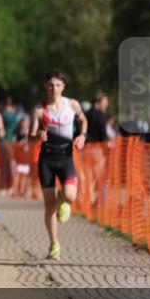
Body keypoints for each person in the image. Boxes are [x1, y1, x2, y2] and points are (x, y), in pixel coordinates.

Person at [30, 69, 87, 260]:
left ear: (63, 87)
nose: (54, 88)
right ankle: (54, 244)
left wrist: (82, 136)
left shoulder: (72, 105)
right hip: (47, 159)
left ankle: (63, 200)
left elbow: (83, 120)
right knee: (49, 206)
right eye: (51, 85)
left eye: (58, 85)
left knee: (70, 195)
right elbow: (30, 138)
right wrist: (38, 136)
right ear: (45, 87)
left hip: (65, 157)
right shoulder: (39, 110)